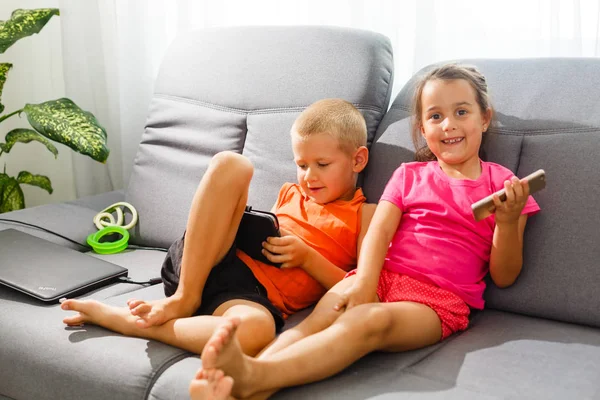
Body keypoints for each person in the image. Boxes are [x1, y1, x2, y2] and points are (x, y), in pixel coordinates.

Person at [189, 63, 542, 400]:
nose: (448, 124)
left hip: (438, 301)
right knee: (310, 327)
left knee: (368, 322)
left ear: (485, 117)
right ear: (422, 127)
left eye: (461, 112)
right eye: (435, 116)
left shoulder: (505, 186)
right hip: (378, 276)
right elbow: (378, 233)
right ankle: (237, 385)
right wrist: (365, 282)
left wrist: (508, 221)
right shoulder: (409, 175)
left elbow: (505, 275)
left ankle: (249, 376)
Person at [61, 98, 376, 359]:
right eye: (302, 165)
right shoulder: (290, 193)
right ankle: (185, 298)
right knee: (234, 164)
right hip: (206, 261)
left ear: (358, 160)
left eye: (322, 165)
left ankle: (126, 321)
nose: (308, 177)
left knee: (256, 333)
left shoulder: (367, 215)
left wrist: (308, 259)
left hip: (248, 297)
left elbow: (362, 290)